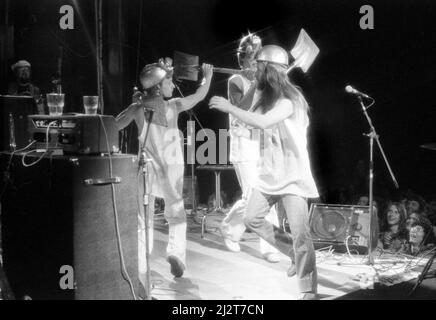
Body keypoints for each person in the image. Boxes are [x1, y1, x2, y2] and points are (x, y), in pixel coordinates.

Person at [209, 45, 319, 299]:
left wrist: (229, 107)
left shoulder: (291, 99)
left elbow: (264, 122)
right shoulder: (266, 98)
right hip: (269, 174)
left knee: (301, 234)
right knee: (252, 218)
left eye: (258, 65)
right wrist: (242, 124)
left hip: (292, 175)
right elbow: (252, 126)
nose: (254, 69)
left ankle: (309, 289)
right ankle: (292, 253)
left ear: (268, 68)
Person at [116, 58, 213, 278]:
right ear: (158, 86)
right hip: (172, 168)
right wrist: (208, 77)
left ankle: (141, 263)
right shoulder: (173, 105)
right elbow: (199, 96)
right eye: (169, 79)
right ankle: (176, 253)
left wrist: (134, 105)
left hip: (146, 169)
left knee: (144, 218)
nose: (172, 84)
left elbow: (113, 125)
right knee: (177, 214)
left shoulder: (137, 108)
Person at [219, 33, 284, 264]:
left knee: (268, 192)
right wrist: (254, 84)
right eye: (253, 54)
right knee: (250, 196)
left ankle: (270, 244)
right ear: (244, 57)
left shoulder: (265, 80)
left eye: (259, 54)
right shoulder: (235, 80)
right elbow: (239, 112)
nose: (257, 58)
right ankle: (228, 228)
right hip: (242, 142)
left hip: (263, 142)